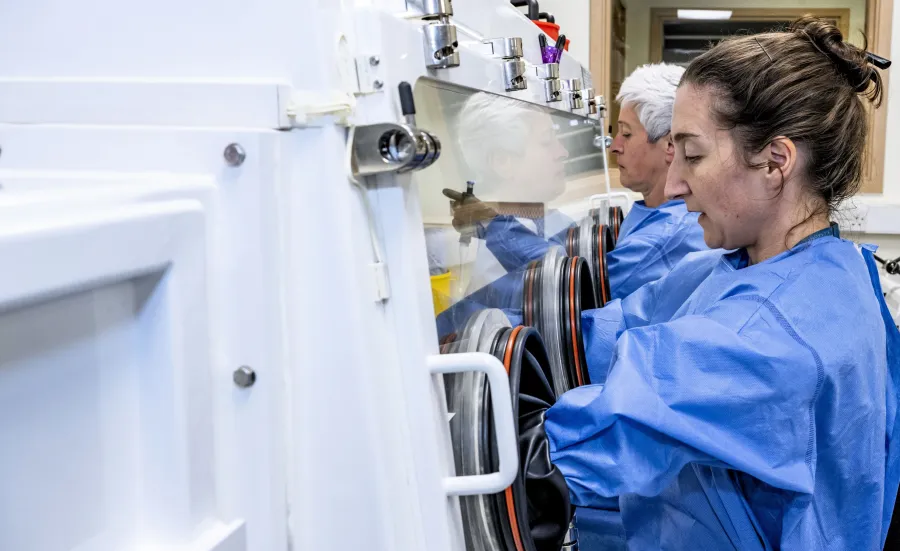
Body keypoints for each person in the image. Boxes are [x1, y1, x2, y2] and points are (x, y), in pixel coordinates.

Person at [545, 17, 900, 550]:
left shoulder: (770, 338)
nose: (674, 184)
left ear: (775, 162)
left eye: (693, 154)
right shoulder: (787, 263)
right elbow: (617, 328)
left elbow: (582, 447)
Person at [606, 63, 710, 300]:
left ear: (671, 146)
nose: (615, 147)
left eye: (626, 133)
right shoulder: (661, 214)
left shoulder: (669, 235)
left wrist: (504, 227)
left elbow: (563, 300)